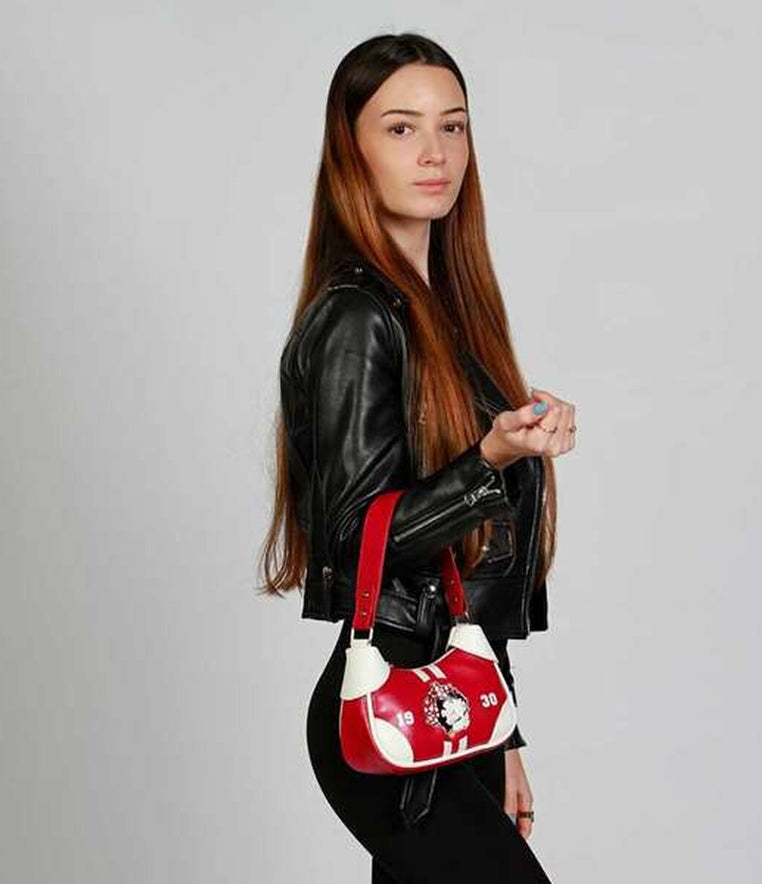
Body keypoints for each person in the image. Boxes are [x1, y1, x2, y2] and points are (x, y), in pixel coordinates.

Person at [258, 31, 577, 883]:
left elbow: (461, 569)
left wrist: (503, 735)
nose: (435, 152)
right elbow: (351, 535)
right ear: (350, 150)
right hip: (386, 709)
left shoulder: (450, 316)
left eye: (453, 126)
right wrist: (488, 459)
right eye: (401, 128)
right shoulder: (355, 318)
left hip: (451, 703)